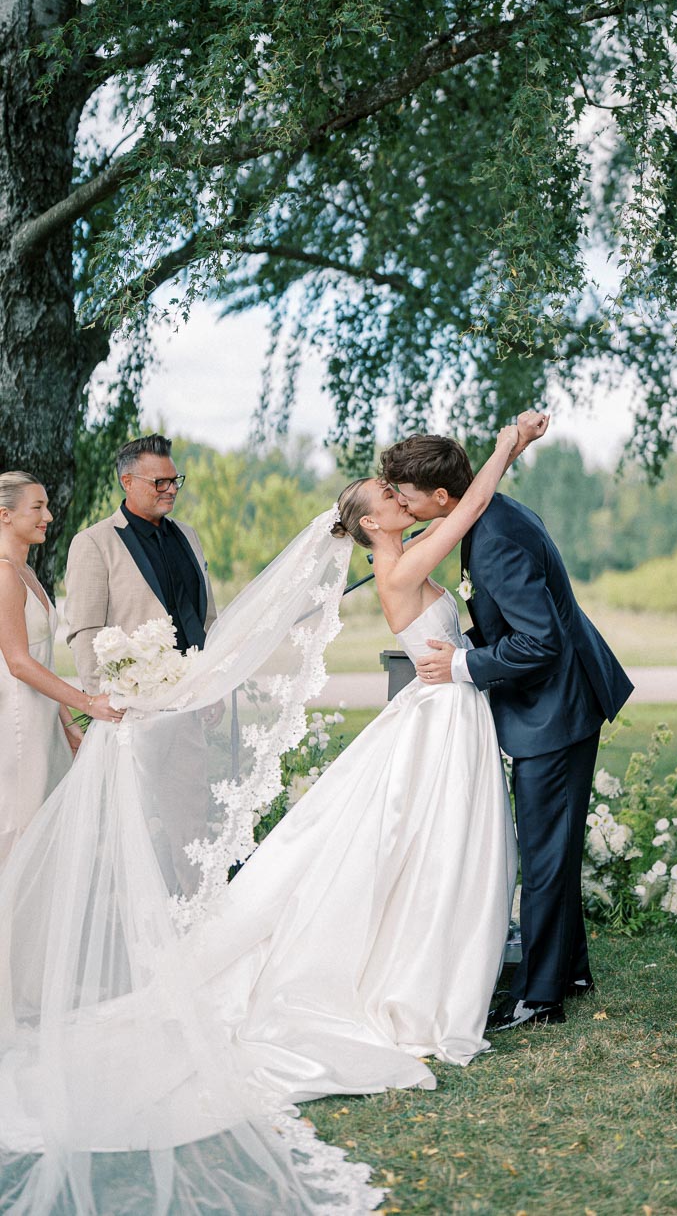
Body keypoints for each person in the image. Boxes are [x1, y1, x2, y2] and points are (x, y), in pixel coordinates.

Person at [0, 415, 545, 1214]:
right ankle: (416, 981)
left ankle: (428, 961)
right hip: (437, 720)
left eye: (398, 493)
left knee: (424, 848)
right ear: (369, 525)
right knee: (416, 847)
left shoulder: (396, 557)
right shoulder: (400, 565)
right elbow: (462, 514)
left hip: (444, 719)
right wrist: (506, 447)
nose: (398, 499)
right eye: (384, 498)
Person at [381, 429, 634, 1030]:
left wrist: (463, 664)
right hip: (555, 699)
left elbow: (540, 642)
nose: (403, 506)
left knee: (545, 853)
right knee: (555, 844)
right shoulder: (489, 512)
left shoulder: (495, 541)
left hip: (556, 708)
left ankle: (539, 996)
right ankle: (567, 969)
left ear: (443, 496)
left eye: (408, 497)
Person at [0, 471, 122, 863]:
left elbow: (42, 661)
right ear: (4, 515)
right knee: (18, 836)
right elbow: (18, 663)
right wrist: (88, 704)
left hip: (42, 724)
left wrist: (67, 722)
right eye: (37, 507)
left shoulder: (27, 574)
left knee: (38, 840)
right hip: (14, 727)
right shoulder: (3, 575)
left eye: (46, 506)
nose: (48, 516)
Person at [65, 433, 216, 692]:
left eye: (175, 480)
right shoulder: (93, 542)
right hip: (132, 705)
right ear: (128, 482)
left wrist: (213, 688)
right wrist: (104, 700)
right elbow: (86, 633)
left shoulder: (189, 534)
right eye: (160, 482)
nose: (171, 489)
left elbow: (208, 618)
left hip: (195, 697)